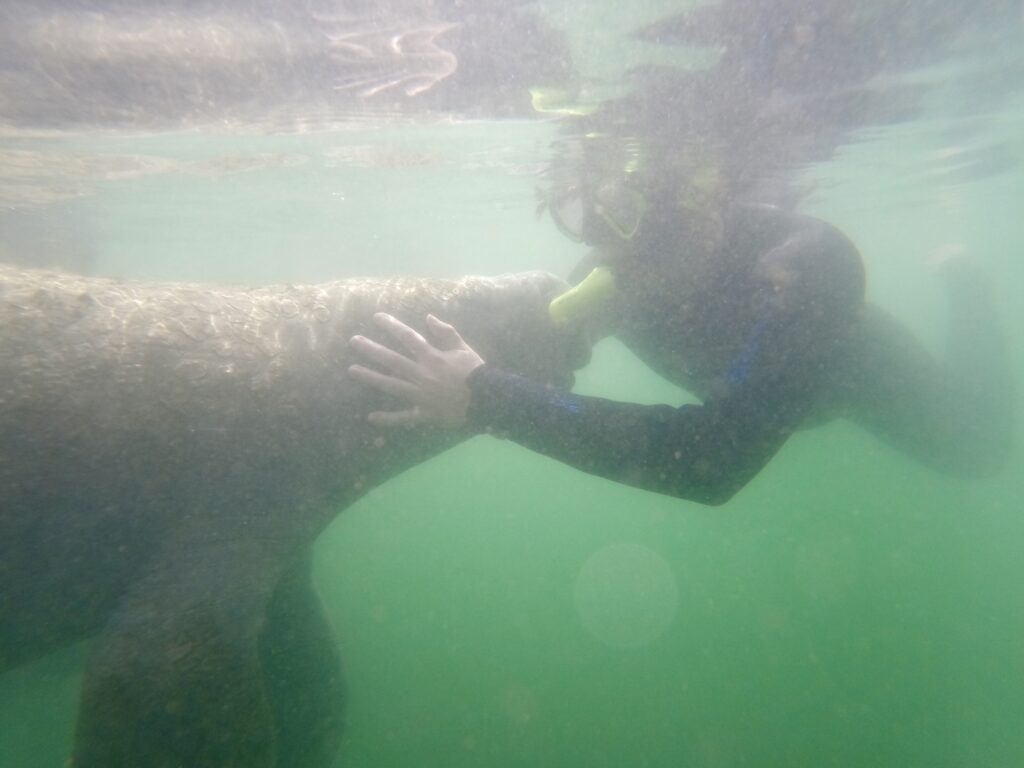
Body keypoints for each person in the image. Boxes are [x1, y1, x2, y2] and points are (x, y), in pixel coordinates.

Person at [348, 160, 1012, 505]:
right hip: (756, 392)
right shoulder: (622, 266)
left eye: (628, 213)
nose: (604, 244)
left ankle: (969, 292)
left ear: (696, 209)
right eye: (580, 212)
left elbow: (713, 464)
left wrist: (486, 395)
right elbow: (522, 366)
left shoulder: (801, 273)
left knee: (977, 450)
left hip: (850, 378)